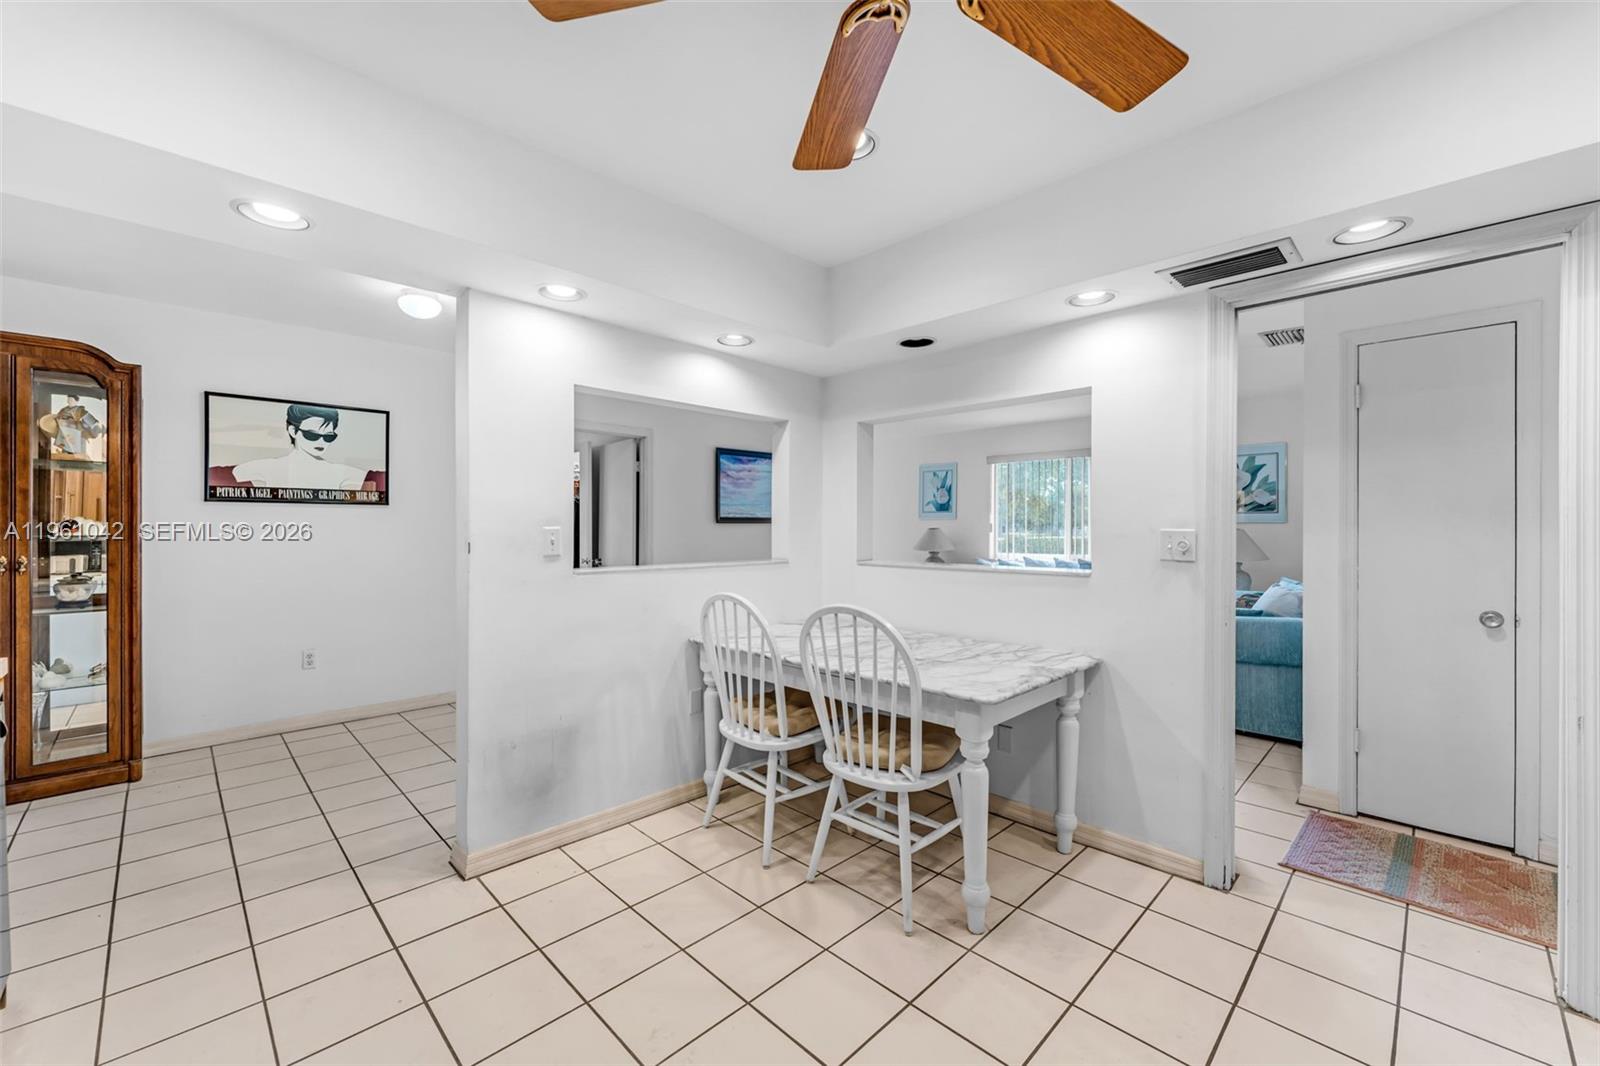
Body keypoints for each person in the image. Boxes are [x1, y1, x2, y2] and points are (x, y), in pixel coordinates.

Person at [227, 403, 372, 490]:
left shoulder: (348, 473)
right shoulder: (261, 468)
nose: (321, 442)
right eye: (312, 435)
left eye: (328, 436)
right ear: (293, 431)